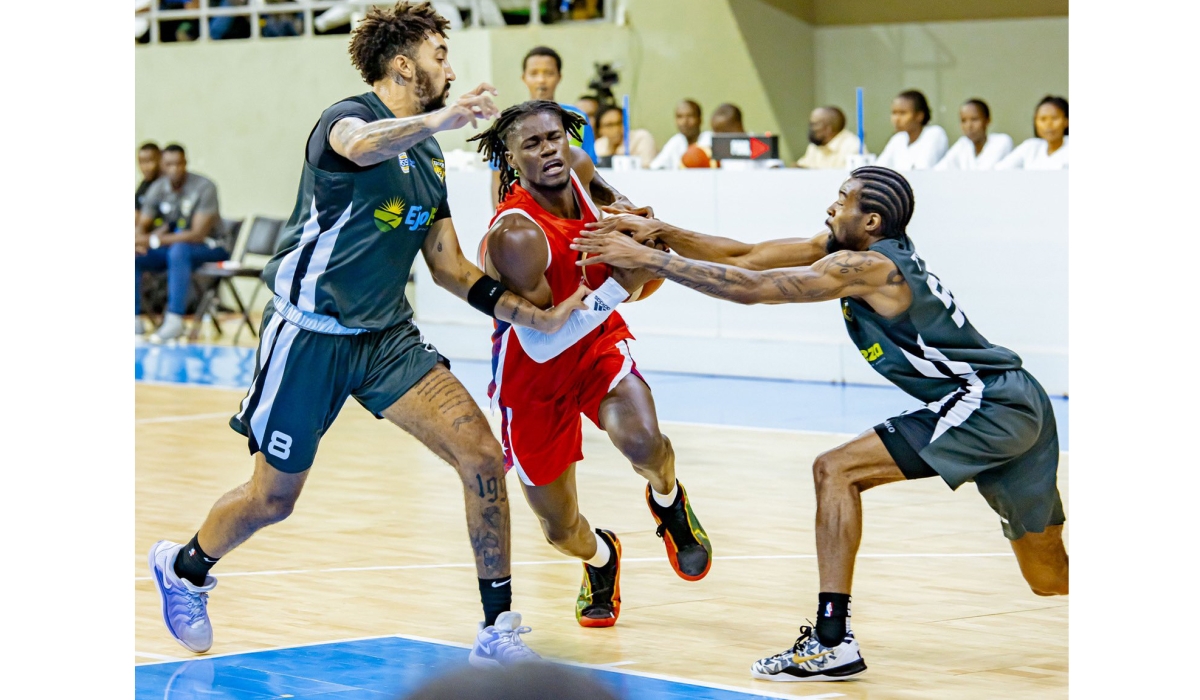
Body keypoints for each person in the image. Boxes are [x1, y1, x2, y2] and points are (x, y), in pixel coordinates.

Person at [146, 2, 592, 667]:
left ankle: (495, 631)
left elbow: (449, 266)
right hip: (309, 335)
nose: (450, 69)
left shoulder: (430, 160)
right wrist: (439, 119)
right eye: (440, 55)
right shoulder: (345, 119)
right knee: (272, 499)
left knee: (481, 455)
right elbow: (360, 144)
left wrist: (537, 318)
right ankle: (184, 569)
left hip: (386, 340)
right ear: (405, 65)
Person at [573, 165, 1068, 681]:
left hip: (988, 404)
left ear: (871, 220)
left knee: (836, 470)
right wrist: (661, 232)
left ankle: (832, 641)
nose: (832, 207)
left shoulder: (869, 267)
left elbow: (753, 288)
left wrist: (650, 259)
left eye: (843, 199)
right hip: (1019, 400)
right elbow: (747, 256)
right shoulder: (847, 251)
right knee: (1049, 577)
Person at [468, 101, 714, 628]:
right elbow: (540, 342)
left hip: (596, 345)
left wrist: (631, 221)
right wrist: (620, 287)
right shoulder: (516, 236)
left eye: (554, 137)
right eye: (532, 144)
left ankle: (669, 501)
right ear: (510, 159)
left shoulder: (577, 167)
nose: (548, 150)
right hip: (533, 374)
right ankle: (602, 558)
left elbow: (605, 195)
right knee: (560, 531)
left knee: (644, 441)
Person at [135, 144, 232, 342]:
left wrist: (153, 239)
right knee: (136, 255)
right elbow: (142, 225)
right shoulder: (157, 187)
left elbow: (197, 234)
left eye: (179, 164)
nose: (174, 169)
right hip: (174, 248)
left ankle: (175, 319)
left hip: (211, 247)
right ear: (162, 165)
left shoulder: (204, 187)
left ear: (185, 163)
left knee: (179, 250)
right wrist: (137, 242)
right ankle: (134, 319)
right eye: (169, 164)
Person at [876, 90, 948, 171]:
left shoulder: (934, 134)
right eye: (894, 113)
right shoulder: (898, 138)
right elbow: (878, 169)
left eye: (902, 113)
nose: (896, 119)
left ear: (919, 116)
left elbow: (922, 171)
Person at [934, 99, 1012, 171]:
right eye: (963, 121)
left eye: (974, 119)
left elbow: (984, 173)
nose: (969, 126)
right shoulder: (963, 144)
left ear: (987, 120)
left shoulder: (1001, 142)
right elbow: (938, 170)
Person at [996, 96, 1069, 170]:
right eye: (1043, 119)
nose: (1048, 124)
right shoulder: (1031, 146)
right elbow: (1000, 169)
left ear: (1066, 121)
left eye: (1054, 118)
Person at [650, 99, 713, 170]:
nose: (684, 121)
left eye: (690, 116)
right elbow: (655, 167)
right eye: (680, 117)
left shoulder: (710, 139)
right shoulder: (676, 141)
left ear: (700, 119)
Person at [796, 106, 862, 170]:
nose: (811, 128)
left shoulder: (853, 147)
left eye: (814, 124)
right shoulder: (815, 146)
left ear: (828, 129)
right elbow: (802, 167)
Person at [136, 142, 162, 214]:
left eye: (149, 161)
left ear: (160, 159)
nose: (145, 167)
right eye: (141, 162)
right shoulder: (144, 184)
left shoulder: (168, 185)